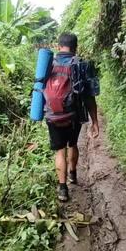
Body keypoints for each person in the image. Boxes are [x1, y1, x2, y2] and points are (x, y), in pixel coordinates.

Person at [45, 32, 99, 201]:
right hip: (73, 114)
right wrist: (95, 121)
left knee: (59, 151)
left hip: (52, 115)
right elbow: (90, 96)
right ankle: (73, 175)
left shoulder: (47, 63)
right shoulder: (81, 64)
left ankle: (62, 189)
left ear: (58, 46)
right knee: (72, 143)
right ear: (76, 47)